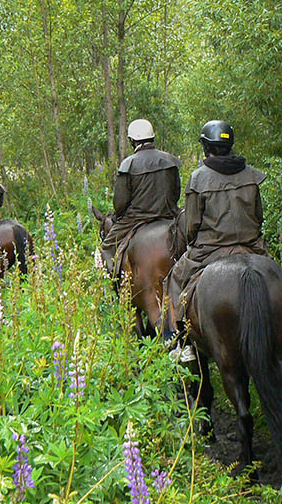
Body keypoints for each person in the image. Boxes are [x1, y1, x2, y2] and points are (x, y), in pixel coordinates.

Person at [165, 120, 268, 358]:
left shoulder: (199, 178)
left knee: (175, 277)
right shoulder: (250, 174)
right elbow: (258, 216)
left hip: (210, 250)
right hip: (252, 246)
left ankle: (183, 341)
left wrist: (194, 241)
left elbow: (191, 226)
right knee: (276, 272)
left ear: (206, 147)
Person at [101, 118, 181, 277]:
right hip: (169, 214)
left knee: (107, 246)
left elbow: (120, 203)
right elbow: (176, 192)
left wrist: (120, 215)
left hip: (136, 218)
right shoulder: (169, 160)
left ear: (132, 140)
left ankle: (114, 282)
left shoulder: (128, 164)